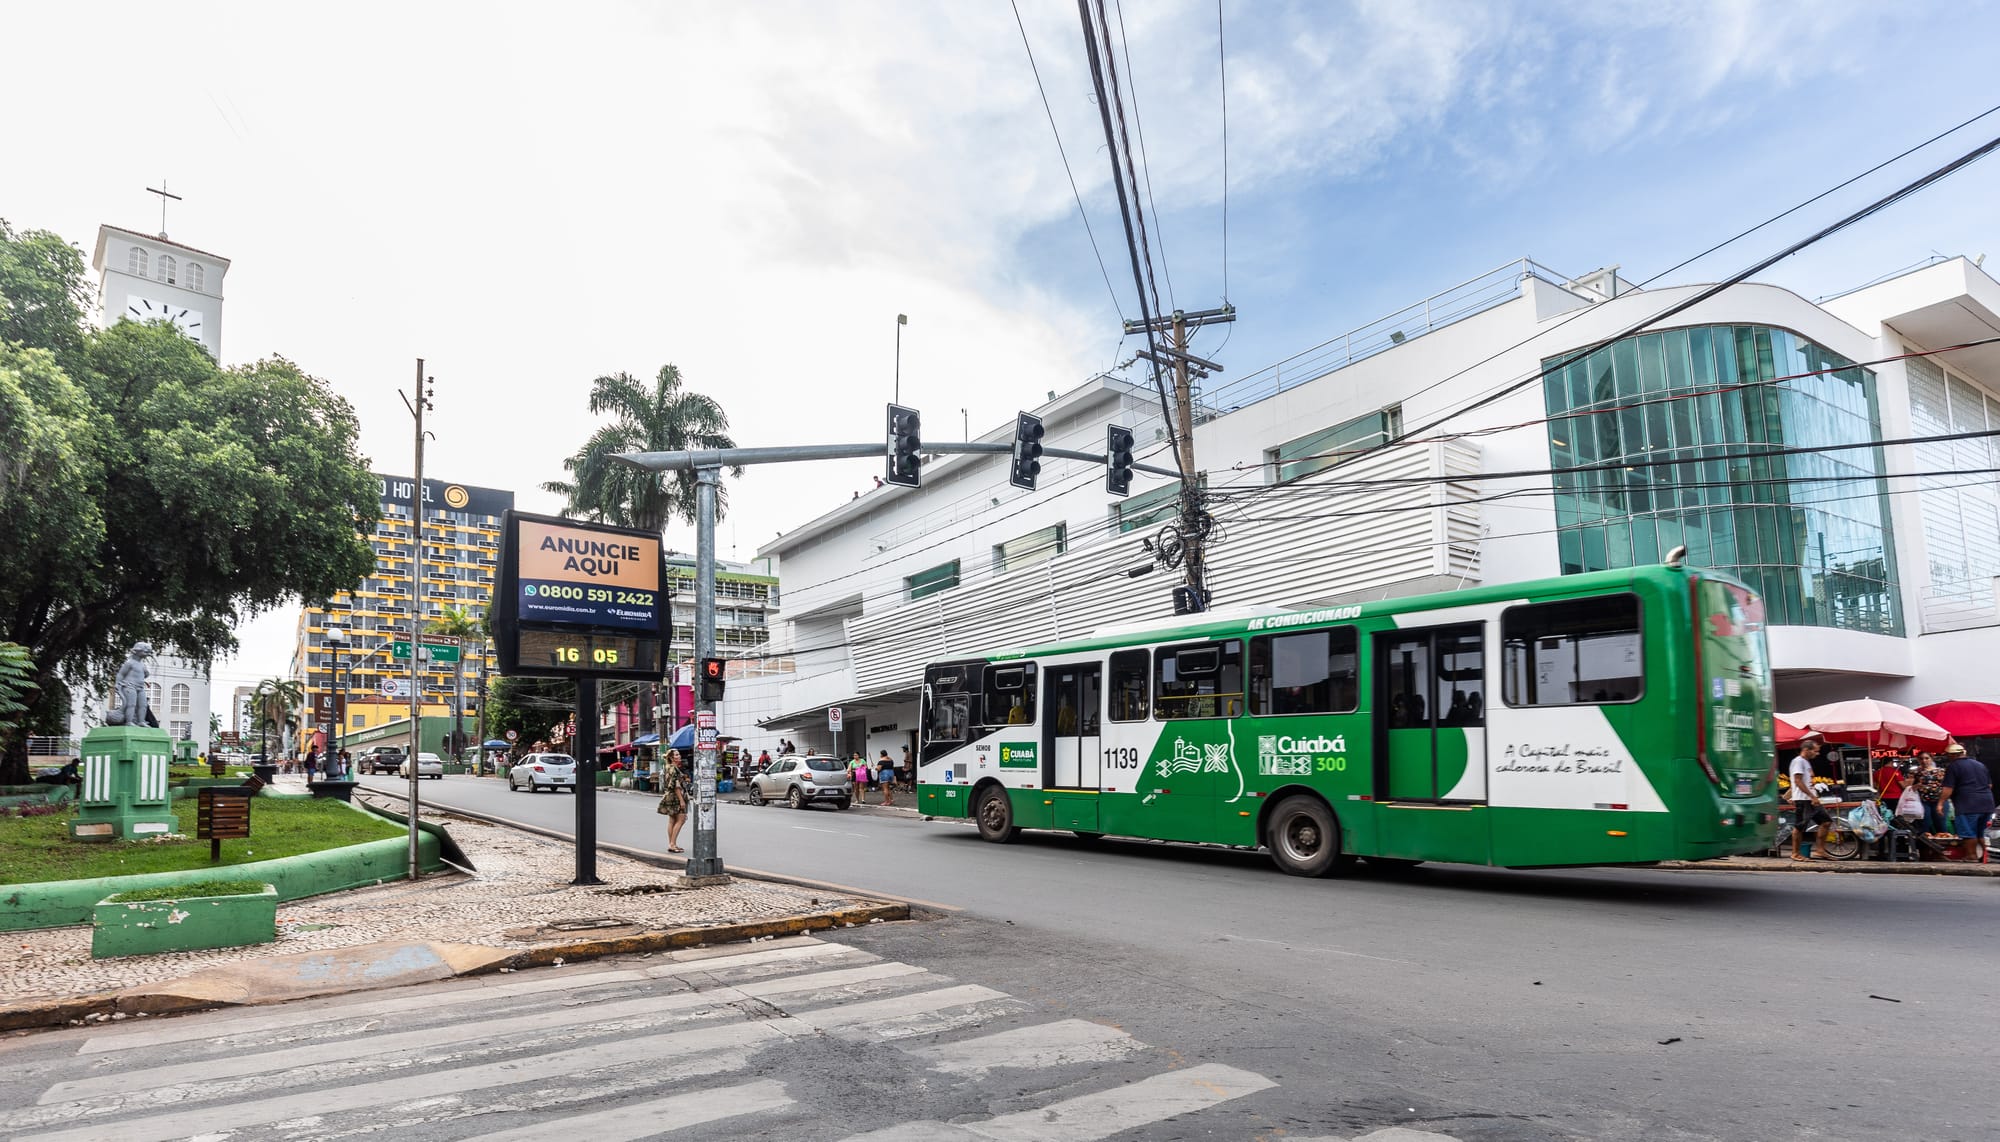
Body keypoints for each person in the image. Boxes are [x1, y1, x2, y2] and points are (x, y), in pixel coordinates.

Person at [1938, 743, 1994, 862]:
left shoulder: (1953, 766)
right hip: (1987, 802)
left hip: (1967, 804)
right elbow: (1989, 785)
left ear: (1951, 755)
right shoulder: (1980, 765)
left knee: (1968, 832)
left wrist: (1940, 803)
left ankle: (1971, 856)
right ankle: (1986, 857)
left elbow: (1948, 788)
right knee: (1982, 833)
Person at [1788, 736, 1831, 860]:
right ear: (1806, 749)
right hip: (1804, 799)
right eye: (1815, 751)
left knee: (1826, 821)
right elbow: (1797, 781)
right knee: (1800, 826)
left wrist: (1788, 796)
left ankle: (1820, 850)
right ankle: (1795, 853)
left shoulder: (1806, 762)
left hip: (1811, 799)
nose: (1817, 754)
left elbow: (1801, 782)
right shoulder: (1798, 761)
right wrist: (1811, 796)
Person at [656, 749, 691, 854]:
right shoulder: (673, 769)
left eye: (679, 754)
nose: (679, 756)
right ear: (671, 758)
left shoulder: (668, 767)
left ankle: (671, 843)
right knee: (681, 819)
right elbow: (676, 786)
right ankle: (672, 844)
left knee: (672, 820)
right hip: (676, 797)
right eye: (676, 755)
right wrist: (682, 801)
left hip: (669, 796)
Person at [1912, 751, 1948, 835]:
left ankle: (1943, 844)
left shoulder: (1941, 771)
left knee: (1941, 824)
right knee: (1925, 824)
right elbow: (1912, 787)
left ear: (1931, 759)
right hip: (1923, 801)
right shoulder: (1917, 772)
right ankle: (1925, 846)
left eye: (1927, 758)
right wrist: (1916, 786)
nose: (1924, 761)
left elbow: (1947, 786)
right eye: (1921, 759)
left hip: (1939, 801)